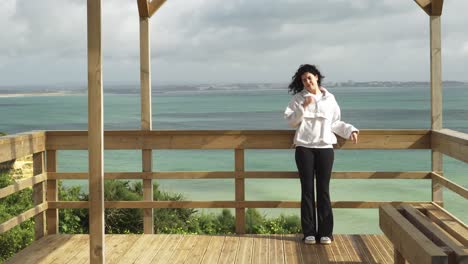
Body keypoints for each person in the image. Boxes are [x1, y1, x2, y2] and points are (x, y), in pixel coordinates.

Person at [284, 64, 358, 245]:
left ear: (317, 77)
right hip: (304, 148)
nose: (307, 82)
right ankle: (309, 233)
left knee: (323, 190)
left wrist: (350, 130)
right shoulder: (297, 98)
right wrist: (303, 107)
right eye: (303, 80)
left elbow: (336, 122)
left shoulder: (330, 98)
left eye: (309, 78)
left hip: (325, 148)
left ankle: (326, 233)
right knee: (307, 191)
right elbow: (291, 121)